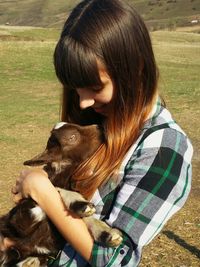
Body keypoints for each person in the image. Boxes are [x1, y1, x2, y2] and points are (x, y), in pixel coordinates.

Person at [11, 0, 193, 266]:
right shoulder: (97, 120)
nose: (83, 102)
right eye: (76, 89)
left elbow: (116, 258)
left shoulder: (164, 147)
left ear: (135, 69)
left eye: (94, 87)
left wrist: (45, 194)